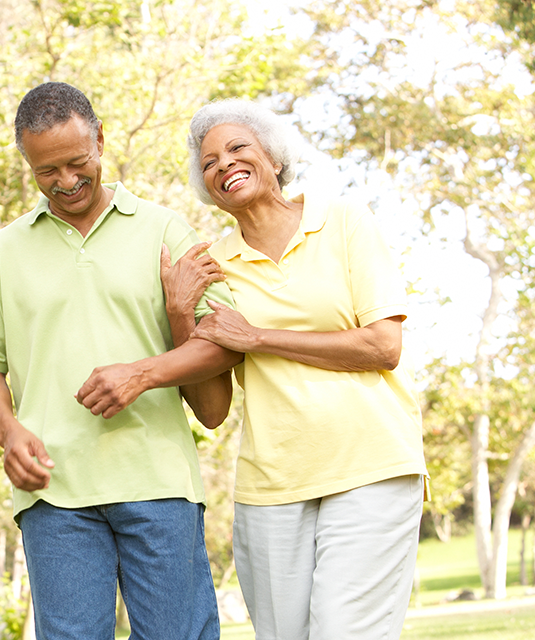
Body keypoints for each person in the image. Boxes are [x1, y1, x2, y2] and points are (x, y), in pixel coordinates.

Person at [0, 81, 242, 640]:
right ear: (27, 165)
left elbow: (225, 340)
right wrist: (9, 432)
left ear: (101, 141)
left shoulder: (165, 230)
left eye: (76, 162)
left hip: (158, 480)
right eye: (46, 171)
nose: (65, 182)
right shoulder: (0, 254)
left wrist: (141, 374)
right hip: (54, 493)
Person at [164, 98, 428, 639]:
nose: (224, 165)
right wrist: (178, 312)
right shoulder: (214, 266)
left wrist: (259, 338)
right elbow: (212, 411)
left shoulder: (344, 221)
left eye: (237, 148)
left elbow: (383, 345)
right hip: (272, 483)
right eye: (209, 161)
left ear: (274, 157)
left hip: (371, 464)